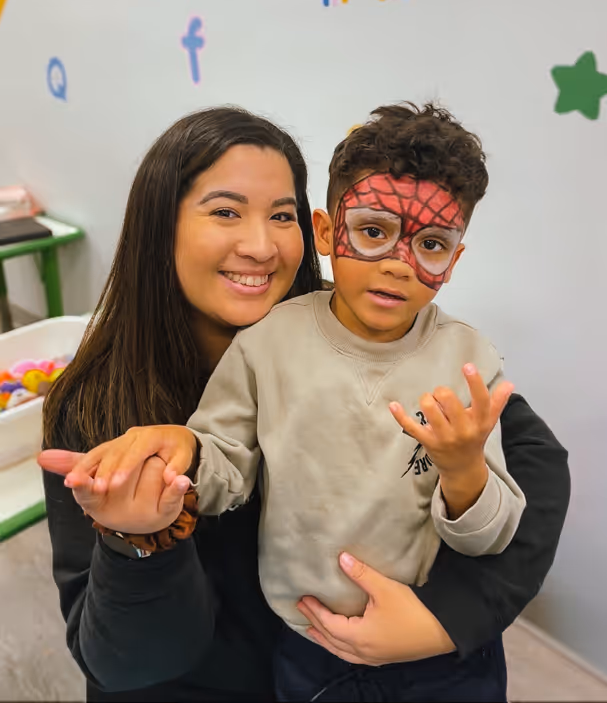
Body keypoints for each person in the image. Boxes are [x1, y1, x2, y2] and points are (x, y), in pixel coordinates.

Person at [39, 106, 570, 703]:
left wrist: (443, 619)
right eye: (224, 211)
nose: (260, 245)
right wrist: (140, 534)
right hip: (271, 668)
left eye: (280, 215)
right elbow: (122, 661)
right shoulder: (108, 402)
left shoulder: (427, 341)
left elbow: (533, 463)